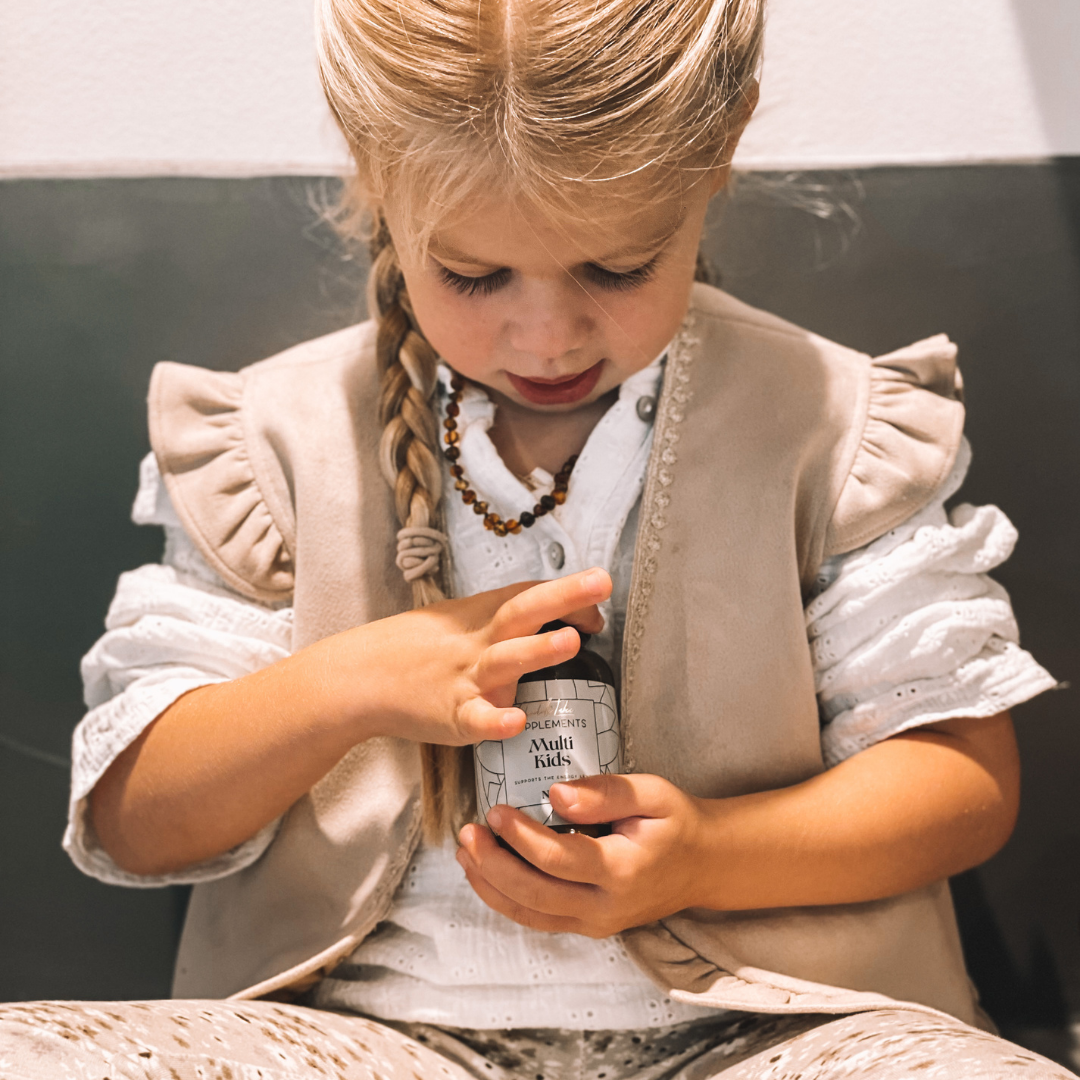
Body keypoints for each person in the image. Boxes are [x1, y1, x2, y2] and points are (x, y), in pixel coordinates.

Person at [1, 0, 1070, 1076]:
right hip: (364, 1040)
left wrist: (708, 856)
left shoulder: (834, 424)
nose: (546, 336)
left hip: (777, 1030)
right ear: (373, 166)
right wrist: (350, 684)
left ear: (720, 146)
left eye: (617, 268)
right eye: (474, 276)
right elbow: (138, 821)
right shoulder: (272, 442)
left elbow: (962, 784)